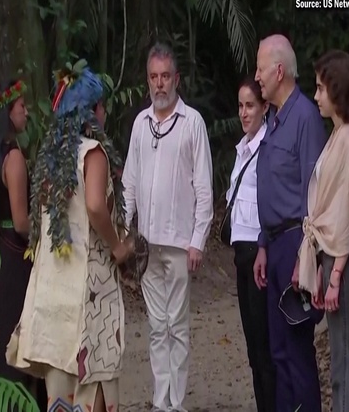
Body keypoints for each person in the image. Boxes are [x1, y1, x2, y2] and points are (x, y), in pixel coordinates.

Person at [6, 64, 136, 412]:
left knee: (59, 399)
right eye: (102, 106)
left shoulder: (50, 158)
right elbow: (95, 205)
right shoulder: (92, 152)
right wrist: (118, 245)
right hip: (87, 296)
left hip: (53, 294)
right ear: (92, 111)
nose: (105, 113)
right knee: (91, 389)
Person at [122, 42, 214, 412]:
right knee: (157, 327)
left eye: (165, 77)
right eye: (153, 77)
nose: (159, 84)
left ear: (176, 79)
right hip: (147, 244)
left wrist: (198, 241)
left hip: (178, 243)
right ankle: (161, 403)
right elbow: (129, 182)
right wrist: (125, 231)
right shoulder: (141, 124)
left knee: (177, 325)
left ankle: (177, 402)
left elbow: (204, 188)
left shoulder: (192, 123)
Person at [252, 34, 326, 412]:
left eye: (261, 68)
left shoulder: (305, 118)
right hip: (275, 246)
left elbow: (314, 194)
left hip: (297, 244)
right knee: (277, 350)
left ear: (279, 71)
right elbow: (271, 185)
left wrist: (305, 256)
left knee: (297, 349)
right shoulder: (274, 119)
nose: (257, 76)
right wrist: (264, 245)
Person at [297, 49, 349, 412]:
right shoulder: (340, 134)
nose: (316, 97)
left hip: (343, 257)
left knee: (343, 359)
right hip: (331, 256)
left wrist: (335, 274)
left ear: (337, 89)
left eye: (320, 88)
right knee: (338, 360)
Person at [0, 79, 47, 411]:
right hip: (14, 258)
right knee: (12, 339)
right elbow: (21, 221)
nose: (26, 111)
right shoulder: (14, 157)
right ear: (8, 112)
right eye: (21, 107)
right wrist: (48, 231)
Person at [225, 75, 275, 412]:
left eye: (250, 106)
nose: (244, 113)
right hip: (240, 251)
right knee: (252, 346)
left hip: (258, 250)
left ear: (264, 108)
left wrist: (263, 246)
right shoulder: (243, 149)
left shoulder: (267, 148)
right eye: (241, 106)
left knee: (264, 343)